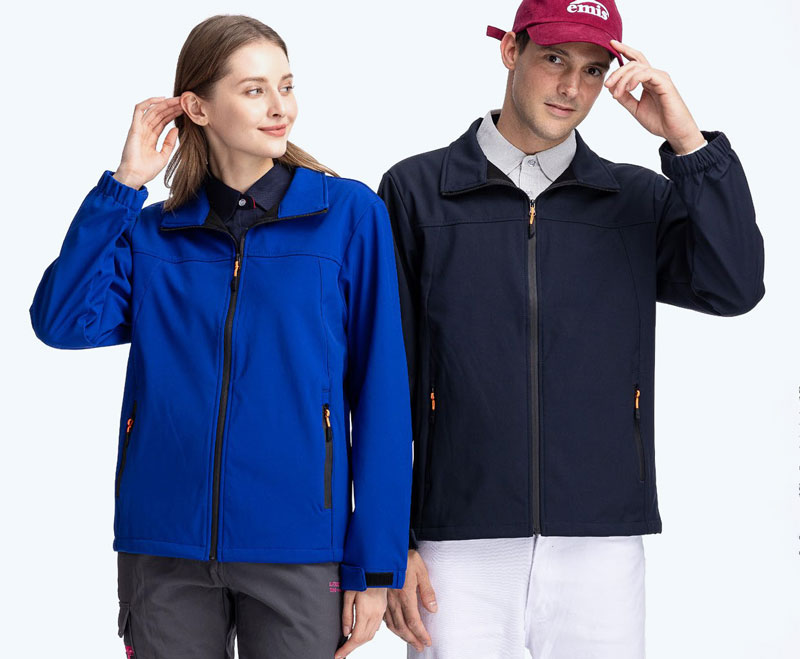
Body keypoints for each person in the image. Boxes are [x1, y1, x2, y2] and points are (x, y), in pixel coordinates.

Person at [378, 1, 765, 657]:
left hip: (601, 541)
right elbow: (384, 376)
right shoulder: (416, 191)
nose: (571, 87)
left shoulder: (636, 200)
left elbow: (733, 285)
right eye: (554, 59)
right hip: (456, 543)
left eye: (592, 70)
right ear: (511, 51)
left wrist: (687, 144)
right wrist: (392, 542)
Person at [29, 14, 412, 659]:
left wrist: (375, 567)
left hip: (298, 546)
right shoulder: (153, 232)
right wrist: (124, 186)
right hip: (164, 543)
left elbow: (382, 393)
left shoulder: (348, 215)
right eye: (254, 90)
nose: (279, 107)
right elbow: (61, 320)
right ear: (198, 108)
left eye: (286, 86)